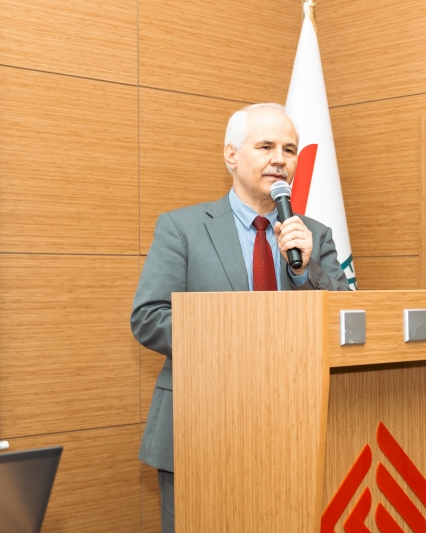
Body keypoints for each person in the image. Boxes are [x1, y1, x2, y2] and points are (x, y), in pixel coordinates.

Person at [130, 103, 351, 533]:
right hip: (199, 425)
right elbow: (149, 317)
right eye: (266, 146)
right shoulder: (182, 228)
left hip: (293, 425)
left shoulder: (313, 234)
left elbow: (345, 319)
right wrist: (235, 338)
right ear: (231, 155)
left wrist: (305, 271)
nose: (279, 159)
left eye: (289, 149)